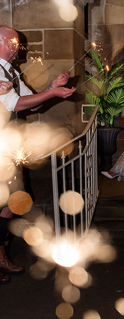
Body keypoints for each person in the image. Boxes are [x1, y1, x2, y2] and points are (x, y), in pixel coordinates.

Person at [0, 25, 75, 285]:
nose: (16, 46)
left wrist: (52, 86)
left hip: (9, 146)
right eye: (11, 41)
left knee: (11, 203)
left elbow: (32, 101)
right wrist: (53, 92)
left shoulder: (12, 71)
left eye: (18, 42)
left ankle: (1, 256)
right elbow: (16, 104)